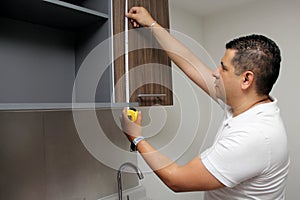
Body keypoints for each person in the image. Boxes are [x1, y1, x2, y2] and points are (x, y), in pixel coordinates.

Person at [120, 6, 289, 200]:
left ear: (246, 80)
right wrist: (151, 24)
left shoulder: (254, 136)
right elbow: (191, 63)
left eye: (223, 68)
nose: (216, 72)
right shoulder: (246, 103)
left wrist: (136, 137)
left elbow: (177, 180)